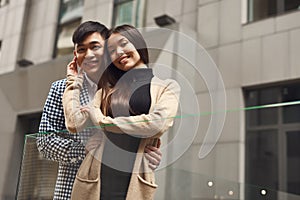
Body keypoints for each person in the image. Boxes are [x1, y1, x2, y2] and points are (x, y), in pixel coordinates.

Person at [36, 21, 162, 200]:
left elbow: (139, 135)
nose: (88, 55)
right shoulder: (61, 89)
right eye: (81, 50)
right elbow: (44, 141)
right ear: (75, 55)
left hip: (119, 190)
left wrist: (151, 157)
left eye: (95, 47)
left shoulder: (125, 89)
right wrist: (83, 150)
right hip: (71, 190)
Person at [62, 24, 180, 200]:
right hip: (94, 178)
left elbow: (157, 124)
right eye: (111, 50)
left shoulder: (167, 87)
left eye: (124, 43)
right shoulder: (106, 90)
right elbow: (73, 123)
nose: (119, 52)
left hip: (134, 182)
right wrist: (73, 81)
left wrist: (103, 122)